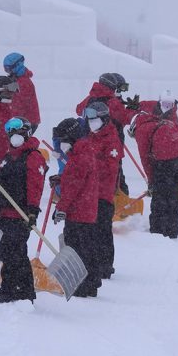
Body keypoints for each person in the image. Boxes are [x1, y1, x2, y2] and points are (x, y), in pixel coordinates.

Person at [0, 117, 47, 303]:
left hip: (20, 214)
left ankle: (13, 290)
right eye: (10, 132)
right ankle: (20, 290)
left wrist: (33, 210)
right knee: (12, 252)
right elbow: (0, 176)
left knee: (14, 253)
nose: (13, 136)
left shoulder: (33, 157)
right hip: (3, 212)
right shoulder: (9, 156)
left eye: (17, 132)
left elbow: (36, 185)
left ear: (27, 133)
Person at [50, 118, 103, 298]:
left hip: (78, 211)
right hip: (87, 209)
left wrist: (61, 208)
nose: (61, 145)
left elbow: (73, 187)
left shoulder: (79, 158)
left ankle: (82, 285)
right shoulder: (84, 152)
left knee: (77, 249)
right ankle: (93, 281)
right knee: (88, 246)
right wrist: (61, 179)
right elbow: (76, 180)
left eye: (63, 140)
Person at [130, 92, 178, 238]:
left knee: (160, 197)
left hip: (167, 158)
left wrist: (152, 181)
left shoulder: (141, 130)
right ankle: (172, 232)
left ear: (134, 127)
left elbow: (145, 159)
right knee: (175, 197)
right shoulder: (165, 122)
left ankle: (157, 233)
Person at [82, 101, 123, 279]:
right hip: (88, 193)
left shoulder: (111, 139)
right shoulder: (90, 136)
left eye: (94, 119)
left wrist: (86, 166)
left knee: (102, 229)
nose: (91, 123)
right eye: (88, 119)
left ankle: (105, 265)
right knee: (90, 229)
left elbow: (108, 168)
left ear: (104, 119)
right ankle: (92, 261)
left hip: (102, 194)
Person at [77, 72, 137, 194]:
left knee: (94, 167)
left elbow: (79, 109)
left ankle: (91, 193)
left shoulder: (90, 98)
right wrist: (132, 108)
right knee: (114, 168)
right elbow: (125, 118)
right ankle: (117, 195)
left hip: (91, 139)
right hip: (112, 140)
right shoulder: (112, 102)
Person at [3, 52, 40, 134]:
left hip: (27, 121)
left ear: (17, 66)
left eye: (9, 69)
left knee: (18, 143)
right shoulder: (17, 80)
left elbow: (18, 104)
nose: (8, 72)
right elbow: (6, 92)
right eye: (6, 69)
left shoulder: (24, 82)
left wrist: (11, 120)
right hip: (22, 119)